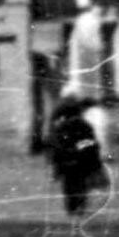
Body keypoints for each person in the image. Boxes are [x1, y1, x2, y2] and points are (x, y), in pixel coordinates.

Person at [47, 88, 107, 217]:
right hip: (80, 162)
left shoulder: (62, 128)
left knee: (70, 186)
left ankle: (72, 207)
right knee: (79, 185)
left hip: (68, 163)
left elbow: (57, 147)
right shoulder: (83, 126)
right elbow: (91, 144)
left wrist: (57, 164)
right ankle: (78, 206)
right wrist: (87, 155)